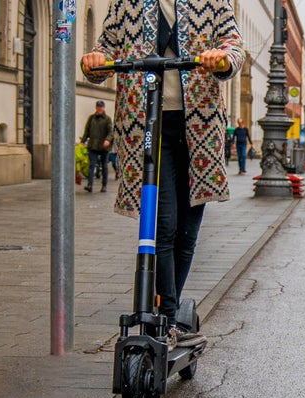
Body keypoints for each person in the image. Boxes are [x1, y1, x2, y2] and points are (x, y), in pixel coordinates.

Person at [81, 0, 243, 345]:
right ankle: (168, 319)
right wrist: (93, 62)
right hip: (145, 125)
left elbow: (233, 44)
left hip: (200, 127)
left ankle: (167, 314)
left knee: (187, 231)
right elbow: (104, 50)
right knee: (164, 225)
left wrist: (223, 58)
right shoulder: (127, 2)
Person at [80, 100, 114, 192]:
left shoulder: (107, 119)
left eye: (101, 107)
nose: (99, 108)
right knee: (91, 166)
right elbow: (87, 131)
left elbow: (111, 132)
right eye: (98, 106)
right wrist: (83, 141)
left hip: (104, 147)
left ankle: (104, 186)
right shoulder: (91, 118)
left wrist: (107, 140)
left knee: (104, 167)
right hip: (93, 146)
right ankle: (90, 185)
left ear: (104, 108)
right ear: (96, 107)